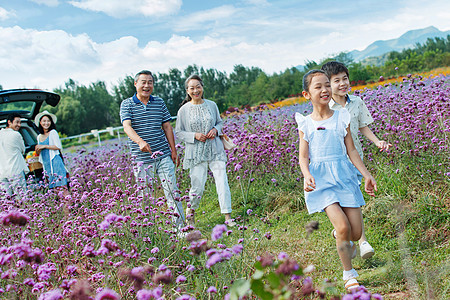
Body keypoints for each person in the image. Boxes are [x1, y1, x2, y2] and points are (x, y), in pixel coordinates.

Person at [295, 70, 377, 291]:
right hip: (321, 182)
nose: (324, 90)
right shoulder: (306, 123)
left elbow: (351, 150)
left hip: (344, 176)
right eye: (318, 87)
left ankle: (341, 236)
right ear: (306, 94)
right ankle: (349, 274)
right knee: (342, 226)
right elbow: (303, 156)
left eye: (326, 85)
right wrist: (307, 175)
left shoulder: (342, 117)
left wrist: (367, 174)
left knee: (356, 233)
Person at [321, 61, 391, 259]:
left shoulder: (357, 102)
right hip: (334, 162)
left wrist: (377, 141)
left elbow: (363, 127)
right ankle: (342, 233)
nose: (342, 84)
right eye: (336, 81)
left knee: (355, 199)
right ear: (328, 84)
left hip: (355, 159)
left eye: (345, 79)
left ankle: (361, 241)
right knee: (341, 203)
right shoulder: (326, 107)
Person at [120, 70, 185, 234]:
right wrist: (140, 141)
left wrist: (173, 150)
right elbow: (127, 126)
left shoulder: (159, 102)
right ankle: (149, 231)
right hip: (141, 159)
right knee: (145, 196)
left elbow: (167, 126)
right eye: (143, 82)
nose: (147, 85)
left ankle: (180, 229)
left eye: (150, 82)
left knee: (172, 191)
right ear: (136, 84)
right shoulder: (127, 104)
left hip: (163, 154)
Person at [175, 75, 235, 227]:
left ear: (202, 88)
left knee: (222, 181)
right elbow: (179, 132)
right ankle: (191, 214)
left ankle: (228, 217)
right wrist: (194, 135)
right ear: (187, 91)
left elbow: (220, 122)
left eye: (198, 87)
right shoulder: (183, 110)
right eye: (192, 88)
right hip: (196, 153)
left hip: (215, 149)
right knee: (197, 186)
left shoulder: (212, 105)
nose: (196, 90)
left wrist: (216, 129)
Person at [34, 111, 69, 197]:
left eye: (48, 121)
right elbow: (39, 153)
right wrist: (37, 149)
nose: (46, 123)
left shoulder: (53, 132)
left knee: (62, 188)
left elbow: (58, 146)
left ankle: (68, 209)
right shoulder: (39, 136)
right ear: (40, 122)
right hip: (47, 165)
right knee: (55, 190)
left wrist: (44, 146)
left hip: (55, 162)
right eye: (44, 121)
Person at [0, 113, 28, 197]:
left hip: (2, 172)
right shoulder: (16, 134)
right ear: (9, 122)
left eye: (20, 122)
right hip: (15, 171)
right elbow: (23, 150)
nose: (19, 125)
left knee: (7, 200)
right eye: (17, 122)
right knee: (21, 198)